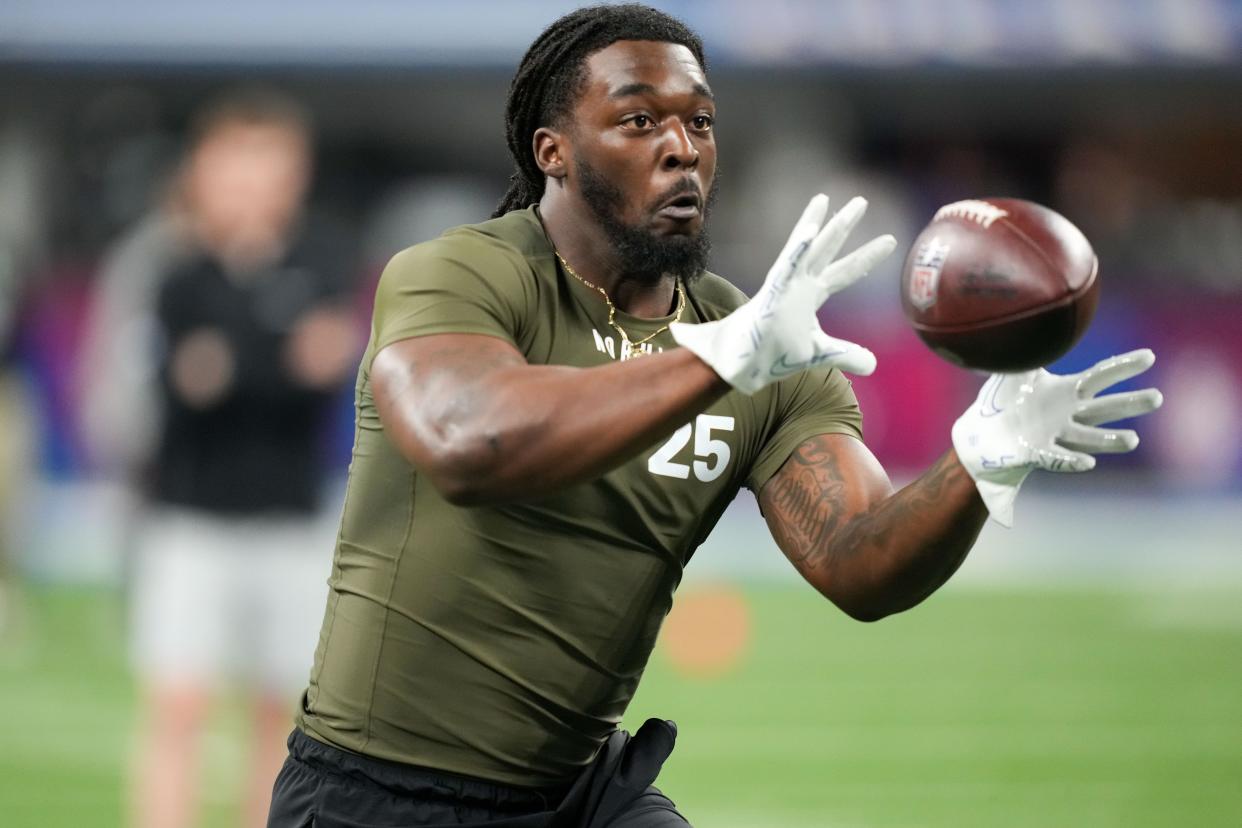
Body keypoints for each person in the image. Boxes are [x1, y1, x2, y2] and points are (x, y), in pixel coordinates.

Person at [268, 5, 1162, 827]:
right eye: (638, 120)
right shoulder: (461, 274)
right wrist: (716, 361)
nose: (681, 147)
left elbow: (859, 564)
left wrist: (980, 459)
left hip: (584, 793)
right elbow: (469, 441)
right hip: (379, 789)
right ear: (552, 151)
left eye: (698, 122)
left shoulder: (761, 340)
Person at [117, 89, 361, 828]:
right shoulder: (171, 270)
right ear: (202, 171)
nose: (249, 186)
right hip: (188, 522)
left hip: (291, 520)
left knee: (280, 722)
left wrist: (235, 366)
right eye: (233, 167)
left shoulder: (325, 257)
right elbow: (186, 382)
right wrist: (272, 361)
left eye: (266, 167)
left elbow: (313, 365)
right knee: (177, 708)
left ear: (296, 174)